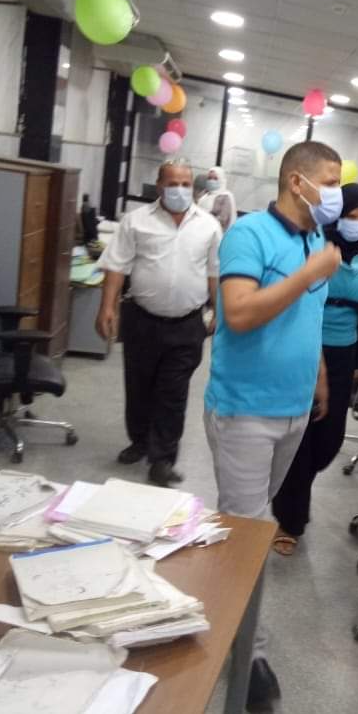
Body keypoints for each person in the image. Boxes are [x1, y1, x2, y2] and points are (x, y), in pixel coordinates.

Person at [203, 141, 343, 713]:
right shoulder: (250, 234)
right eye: (329, 181)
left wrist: (320, 374)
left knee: (253, 527)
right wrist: (309, 273)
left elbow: (310, 317)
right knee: (250, 533)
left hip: (293, 408)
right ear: (296, 181)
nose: (335, 193)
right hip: (245, 409)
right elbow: (238, 313)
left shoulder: (315, 240)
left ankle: (230, 618)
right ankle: (249, 654)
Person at [270, 183, 358, 555]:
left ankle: (293, 488)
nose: (357, 223)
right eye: (350, 216)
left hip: (345, 353)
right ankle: (290, 519)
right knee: (302, 434)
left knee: (329, 440)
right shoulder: (318, 246)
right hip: (308, 346)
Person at [95, 158, 221, 487]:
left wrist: (219, 311)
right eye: (172, 183)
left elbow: (214, 272)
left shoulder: (208, 226)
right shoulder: (135, 221)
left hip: (187, 324)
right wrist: (107, 307)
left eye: (185, 184)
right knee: (139, 387)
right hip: (142, 319)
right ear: (159, 185)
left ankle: (162, 459)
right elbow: (117, 265)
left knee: (173, 392)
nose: (179, 189)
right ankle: (139, 440)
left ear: (193, 187)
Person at [197, 165, 238, 232]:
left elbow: (223, 219)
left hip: (215, 232)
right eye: (209, 178)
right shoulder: (204, 194)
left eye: (215, 178)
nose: (211, 181)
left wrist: (204, 222)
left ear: (221, 180)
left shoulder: (226, 196)